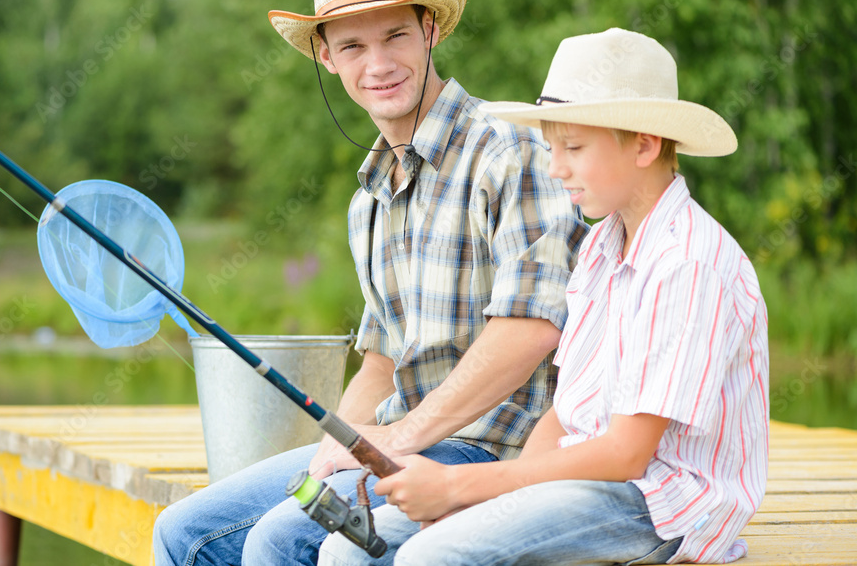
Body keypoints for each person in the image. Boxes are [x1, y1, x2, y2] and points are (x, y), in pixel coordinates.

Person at [153, 0, 586, 566]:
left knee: (281, 540)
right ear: (326, 58)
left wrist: (402, 436)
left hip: (495, 452)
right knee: (183, 531)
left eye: (395, 37)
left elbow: (531, 331)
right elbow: (382, 362)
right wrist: (341, 444)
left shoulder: (509, 149)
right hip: (397, 443)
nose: (377, 64)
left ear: (430, 31)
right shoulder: (370, 198)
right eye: (353, 45)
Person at [319, 28, 770, 565]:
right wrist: (500, 495)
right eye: (553, 148)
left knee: (432, 557)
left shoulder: (686, 262)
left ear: (646, 144)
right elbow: (563, 414)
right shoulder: (603, 245)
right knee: (349, 551)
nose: (555, 168)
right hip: (583, 477)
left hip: (659, 502)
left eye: (574, 148)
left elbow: (627, 454)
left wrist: (462, 488)